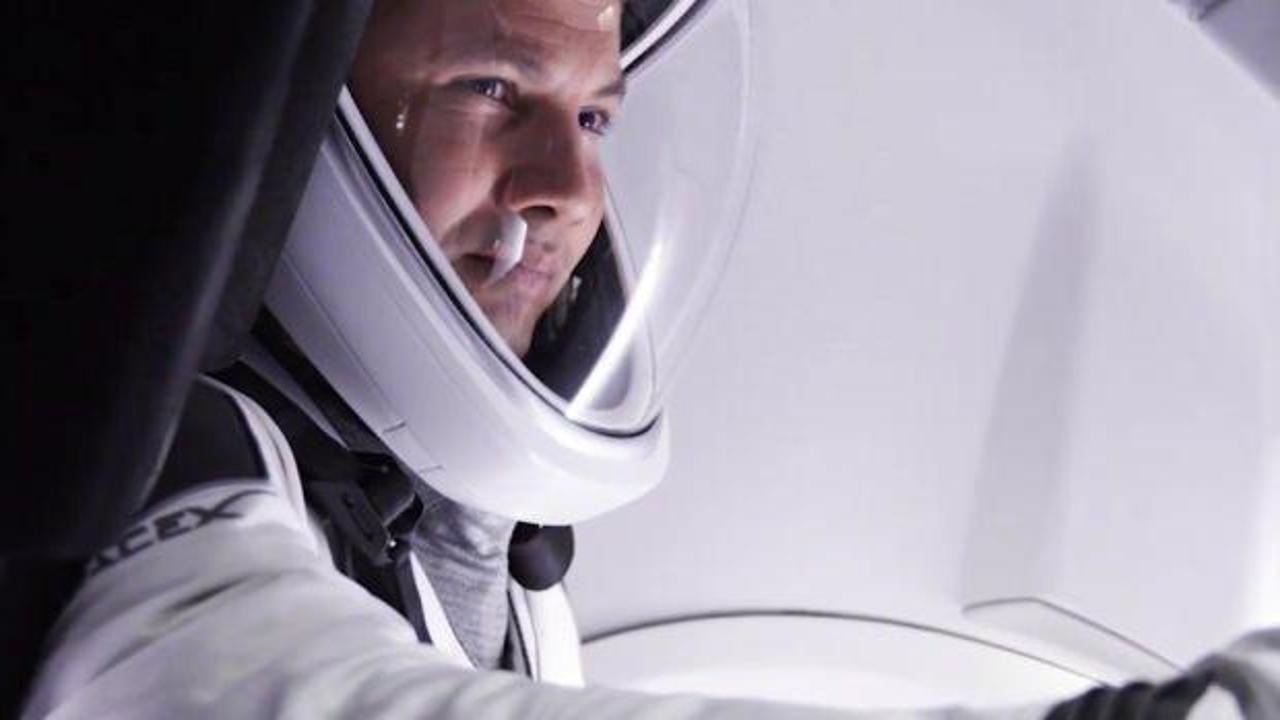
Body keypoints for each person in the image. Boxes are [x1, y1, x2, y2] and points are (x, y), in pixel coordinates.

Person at [19, 0, 1280, 717]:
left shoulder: (501, 560)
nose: (570, 187)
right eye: (489, 90)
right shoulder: (146, 451)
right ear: (301, 122)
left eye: (593, 116)